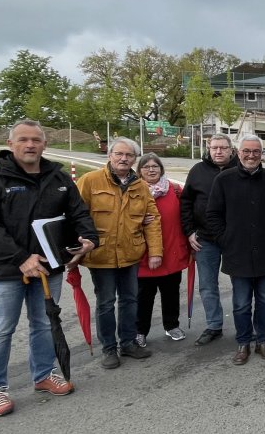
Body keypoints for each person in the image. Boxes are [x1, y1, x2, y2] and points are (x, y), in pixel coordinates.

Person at [0, 120, 97, 417]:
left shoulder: (59, 178)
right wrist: (20, 258)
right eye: (23, 140)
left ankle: (43, 375)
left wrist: (89, 239)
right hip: (3, 271)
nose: (30, 145)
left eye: (36, 140)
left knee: (43, 324)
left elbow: (79, 214)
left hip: (48, 268)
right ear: (11, 144)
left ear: (44, 144)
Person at [206, 134, 265, 365]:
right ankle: (243, 342)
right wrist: (224, 239)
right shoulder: (224, 180)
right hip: (237, 253)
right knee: (241, 303)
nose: (251, 155)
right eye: (247, 151)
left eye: (256, 151)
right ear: (238, 152)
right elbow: (213, 215)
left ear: (261, 153)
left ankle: (262, 341)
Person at [77, 137, 162, 369]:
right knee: (105, 303)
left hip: (130, 254)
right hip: (101, 255)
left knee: (129, 300)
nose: (124, 159)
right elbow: (75, 215)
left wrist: (155, 252)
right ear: (110, 156)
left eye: (129, 156)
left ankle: (127, 343)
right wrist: (76, 247)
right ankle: (108, 349)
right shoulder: (90, 181)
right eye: (119, 154)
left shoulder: (140, 186)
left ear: (135, 159)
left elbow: (152, 220)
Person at [180, 134, 238, 346]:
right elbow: (186, 203)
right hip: (205, 239)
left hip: (234, 239)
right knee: (207, 285)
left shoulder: (241, 169)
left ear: (231, 150)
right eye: (215, 148)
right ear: (208, 148)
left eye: (223, 148)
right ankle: (214, 325)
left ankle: (243, 323)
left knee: (239, 283)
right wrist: (189, 231)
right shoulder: (197, 171)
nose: (219, 152)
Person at [134, 153, 189, 348]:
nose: (151, 169)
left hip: (172, 251)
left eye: (155, 166)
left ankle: (172, 325)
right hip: (143, 254)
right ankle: (140, 331)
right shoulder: (132, 192)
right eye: (146, 166)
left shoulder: (174, 190)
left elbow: (188, 212)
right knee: (143, 297)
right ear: (139, 170)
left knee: (171, 293)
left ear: (161, 169)